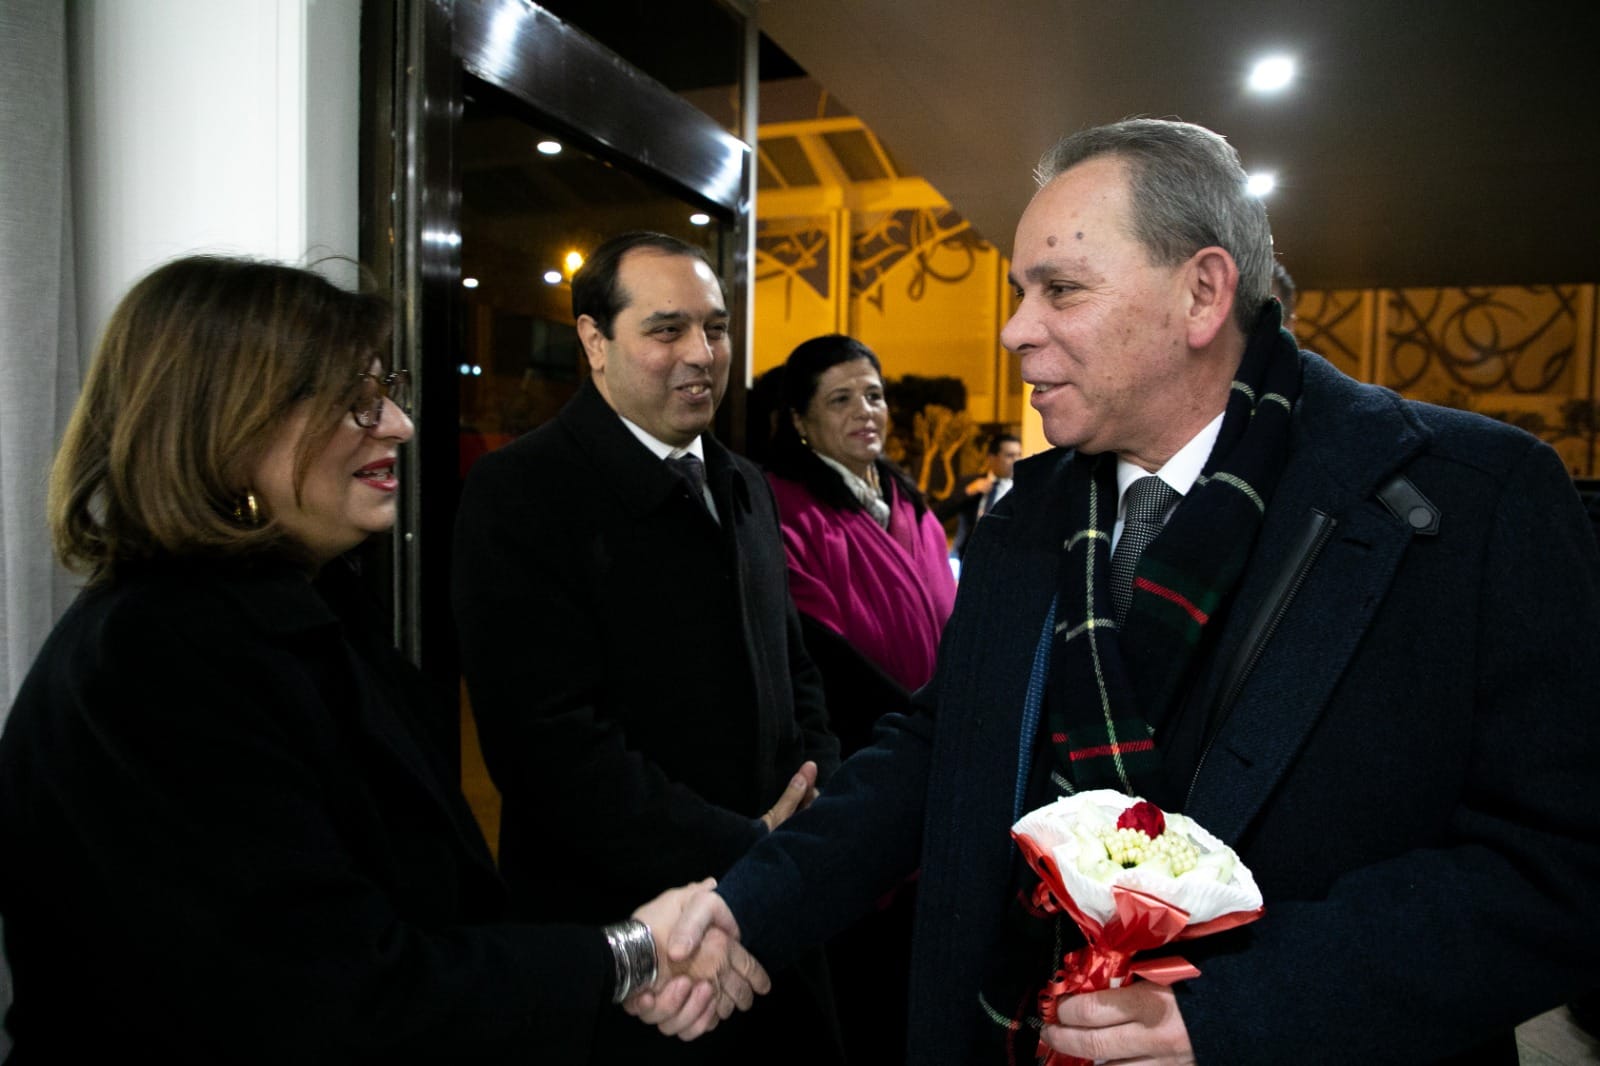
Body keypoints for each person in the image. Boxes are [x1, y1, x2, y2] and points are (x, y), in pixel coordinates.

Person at [657, 118, 1600, 1064]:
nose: (1015, 330)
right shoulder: (1031, 512)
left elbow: (1555, 868)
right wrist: (747, 908)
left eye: (1059, 290)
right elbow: (941, 748)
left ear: (1201, 293)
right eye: (1021, 292)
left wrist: (1232, 1013)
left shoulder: (1468, 500)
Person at [0, 255, 766, 1064]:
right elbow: (329, 998)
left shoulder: (311, 610)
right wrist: (629, 953)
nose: (398, 423)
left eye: (386, 389)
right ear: (223, 424)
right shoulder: (152, 663)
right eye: (354, 401)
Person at [451, 232, 844, 1063]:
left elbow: (794, 669)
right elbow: (549, 747)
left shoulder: (745, 484)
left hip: (770, 914)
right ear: (595, 341)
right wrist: (745, 843)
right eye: (666, 330)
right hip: (630, 951)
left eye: (717, 327)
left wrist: (815, 805)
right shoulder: (521, 493)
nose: (702, 354)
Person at [763, 333, 957, 1064]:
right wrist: (932, 728)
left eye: (873, 394)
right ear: (801, 421)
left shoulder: (907, 501)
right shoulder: (787, 509)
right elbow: (819, 651)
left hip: (936, 765)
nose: (865, 411)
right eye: (840, 399)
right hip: (864, 764)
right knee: (864, 981)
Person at [935, 432, 1024, 564]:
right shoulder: (971, 483)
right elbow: (938, 513)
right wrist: (967, 492)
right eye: (1009, 456)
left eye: (1019, 455)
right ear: (992, 458)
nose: (1016, 460)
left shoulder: (1023, 488)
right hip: (970, 559)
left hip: (1007, 561)